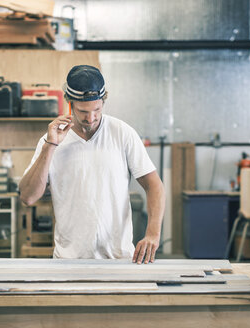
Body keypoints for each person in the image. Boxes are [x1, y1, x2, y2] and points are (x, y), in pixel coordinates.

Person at [19, 65, 165, 264]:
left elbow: (154, 185)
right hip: (68, 260)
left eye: (97, 109)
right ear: (69, 103)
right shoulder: (51, 140)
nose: (91, 118)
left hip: (118, 259)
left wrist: (153, 234)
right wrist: (50, 146)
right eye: (83, 111)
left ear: (104, 101)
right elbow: (27, 197)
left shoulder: (122, 133)